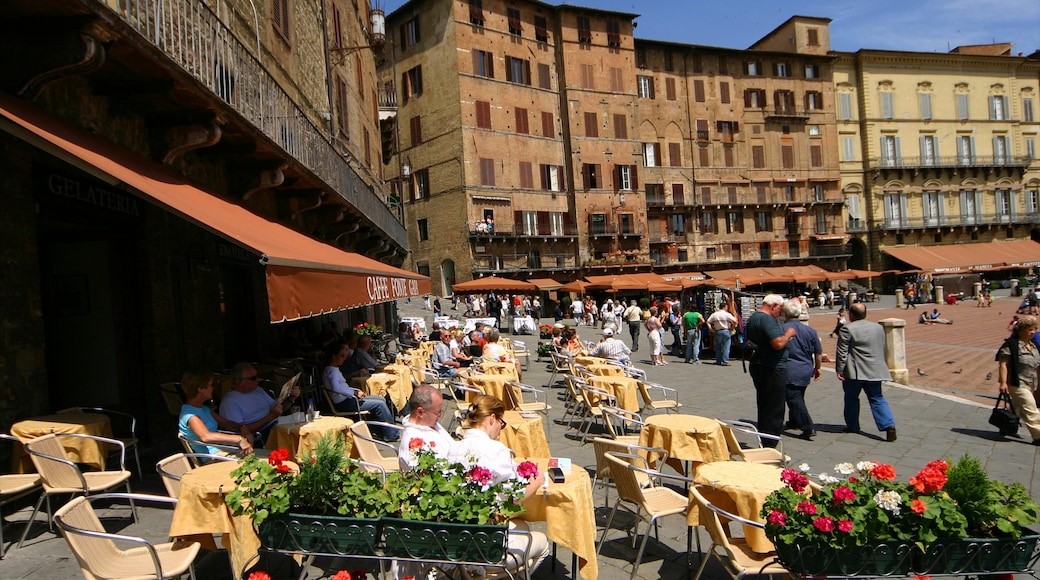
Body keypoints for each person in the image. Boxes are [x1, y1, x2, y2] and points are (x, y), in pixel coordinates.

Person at [448, 395, 551, 575]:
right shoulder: (496, 450)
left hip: (455, 542)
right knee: (542, 544)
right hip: (486, 548)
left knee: (521, 525)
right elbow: (514, 499)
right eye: (501, 423)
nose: (501, 430)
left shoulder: (453, 448)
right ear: (492, 418)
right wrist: (537, 482)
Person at [835, 303, 897, 442]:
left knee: (851, 398)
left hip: (855, 370)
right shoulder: (878, 328)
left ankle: (853, 425)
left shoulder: (847, 329)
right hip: (875, 369)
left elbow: (842, 352)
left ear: (851, 314)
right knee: (877, 398)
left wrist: (840, 369)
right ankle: (888, 425)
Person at [744, 294, 797, 447]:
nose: (780, 312)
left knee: (765, 404)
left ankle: (765, 438)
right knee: (775, 407)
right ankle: (770, 443)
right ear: (773, 305)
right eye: (780, 309)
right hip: (772, 367)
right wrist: (789, 333)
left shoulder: (754, 317)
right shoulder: (767, 319)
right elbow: (778, 343)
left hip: (759, 364)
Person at [323, 341, 398, 440]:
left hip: (348, 398)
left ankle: (384, 430)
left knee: (381, 399)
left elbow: (341, 387)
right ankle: (391, 434)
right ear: (333, 356)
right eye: (342, 356)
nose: (344, 358)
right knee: (379, 404)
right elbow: (335, 388)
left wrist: (355, 390)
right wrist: (354, 392)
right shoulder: (331, 370)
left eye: (345, 356)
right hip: (345, 402)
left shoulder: (334, 369)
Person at [219, 362, 300, 445]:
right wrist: (270, 417)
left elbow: (277, 409)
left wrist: (291, 398)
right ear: (239, 381)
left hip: (277, 425)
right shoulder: (229, 402)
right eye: (253, 378)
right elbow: (241, 431)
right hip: (260, 436)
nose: (258, 379)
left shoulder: (258, 390)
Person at [179, 371, 255, 456]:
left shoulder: (203, 408)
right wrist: (239, 439)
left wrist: (242, 428)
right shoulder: (191, 415)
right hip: (213, 458)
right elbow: (206, 437)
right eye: (211, 385)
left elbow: (226, 423)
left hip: (224, 450)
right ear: (200, 389)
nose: (213, 388)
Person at [996, 315, 1040, 445]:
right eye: (1029, 329)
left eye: (1034, 329)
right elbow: (1003, 364)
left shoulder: (1034, 345)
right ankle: (1038, 436)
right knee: (1031, 409)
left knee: (1017, 408)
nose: (1032, 332)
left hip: (1031, 382)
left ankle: (1007, 427)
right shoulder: (1011, 345)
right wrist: (1003, 382)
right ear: (1021, 330)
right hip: (1017, 382)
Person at [781, 301, 821, 439]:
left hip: (790, 368)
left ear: (785, 313)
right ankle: (794, 421)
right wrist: (818, 368)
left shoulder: (782, 329)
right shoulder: (810, 331)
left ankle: (808, 426)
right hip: (805, 368)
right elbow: (818, 352)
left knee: (793, 398)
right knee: (798, 395)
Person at [398, 385, 454, 470]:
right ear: (420, 412)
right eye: (437, 412)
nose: (440, 416)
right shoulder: (413, 443)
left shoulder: (428, 422)